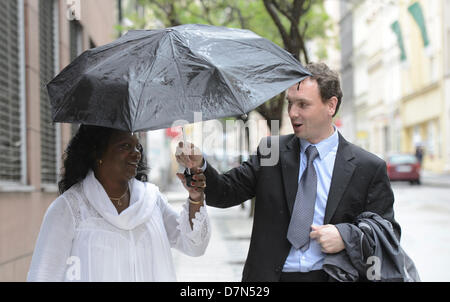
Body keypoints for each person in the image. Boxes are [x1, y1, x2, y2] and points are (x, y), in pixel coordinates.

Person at [176, 62, 401, 282]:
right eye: (290, 103)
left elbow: (388, 234)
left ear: (331, 105)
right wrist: (200, 166)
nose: (293, 113)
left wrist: (345, 236)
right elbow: (225, 192)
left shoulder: (368, 167)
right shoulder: (271, 152)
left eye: (303, 105)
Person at [27, 125, 210, 282]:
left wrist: (195, 198)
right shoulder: (70, 208)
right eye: (125, 146)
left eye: (137, 147)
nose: (136, 154)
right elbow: (44, 274)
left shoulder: (151, 200)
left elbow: (194, 246)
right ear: (98, 152)